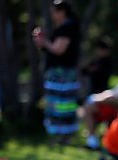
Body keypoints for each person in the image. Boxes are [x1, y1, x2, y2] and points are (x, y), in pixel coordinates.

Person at [33, 0, 81, 144]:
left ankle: (65, 136)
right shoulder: (62, 27)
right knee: (56, 104)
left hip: (63, 74)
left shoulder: (68, 27)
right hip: (58, 73)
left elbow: (59, 49)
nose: (52, 15)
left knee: (63, 104)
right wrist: (41, 42)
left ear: (62, 12)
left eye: (54, 12)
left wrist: (45, 41)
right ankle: (58, 135)